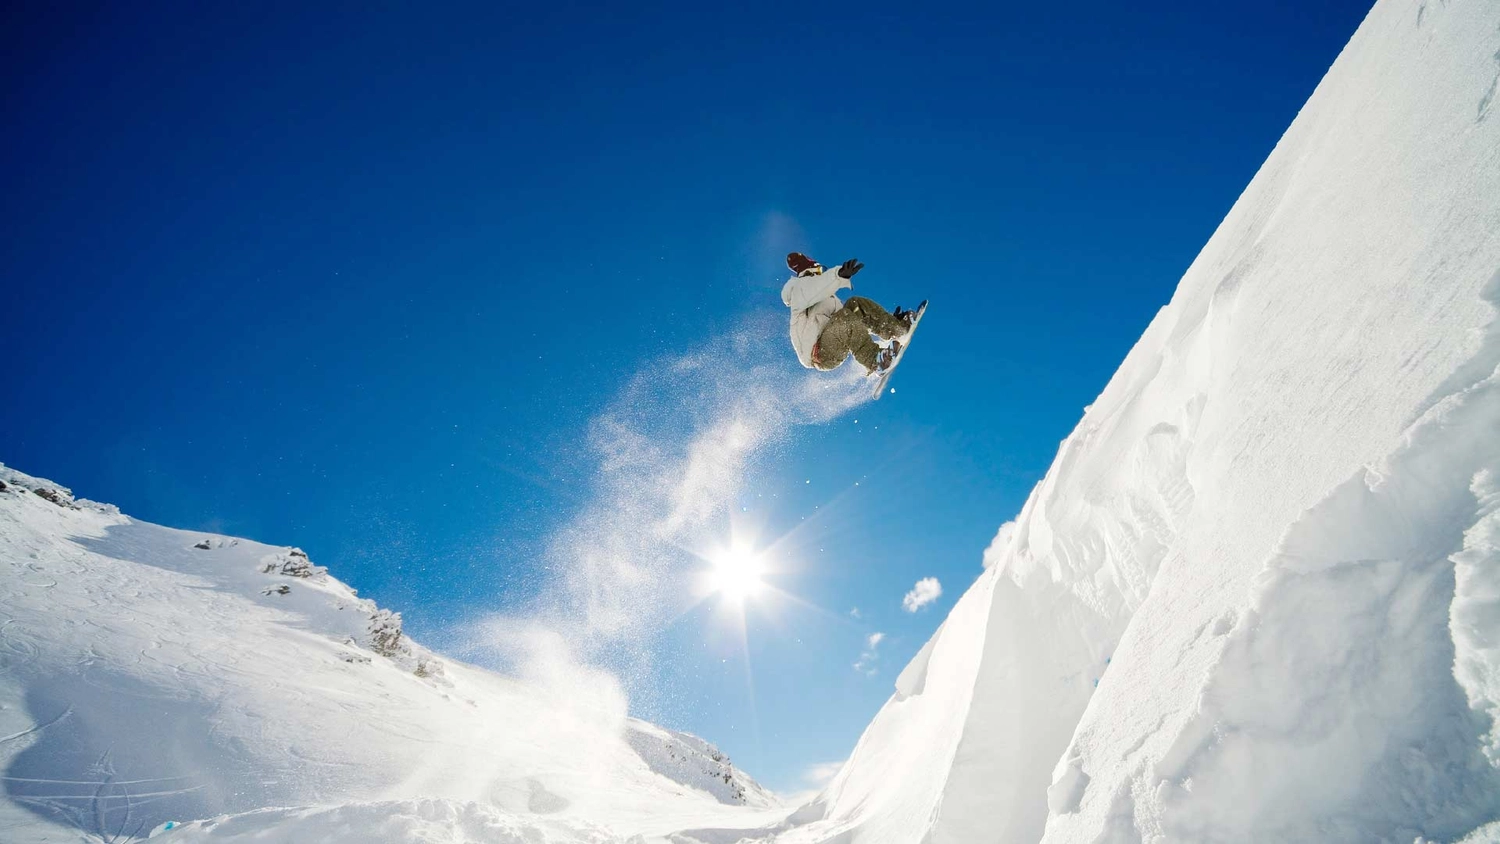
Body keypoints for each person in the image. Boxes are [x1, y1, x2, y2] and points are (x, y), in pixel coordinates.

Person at [780, 252, 918, 375]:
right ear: (811, 271)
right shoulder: (798, 289)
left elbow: (850, 320)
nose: (823, 273)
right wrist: (836, 275)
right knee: (845, 317)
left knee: (855, 304)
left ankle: (897, 328)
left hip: (833, 336)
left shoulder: (822, 298)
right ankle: (876, 361)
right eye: (822, 269)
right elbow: (814, 287)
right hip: (820, 352)